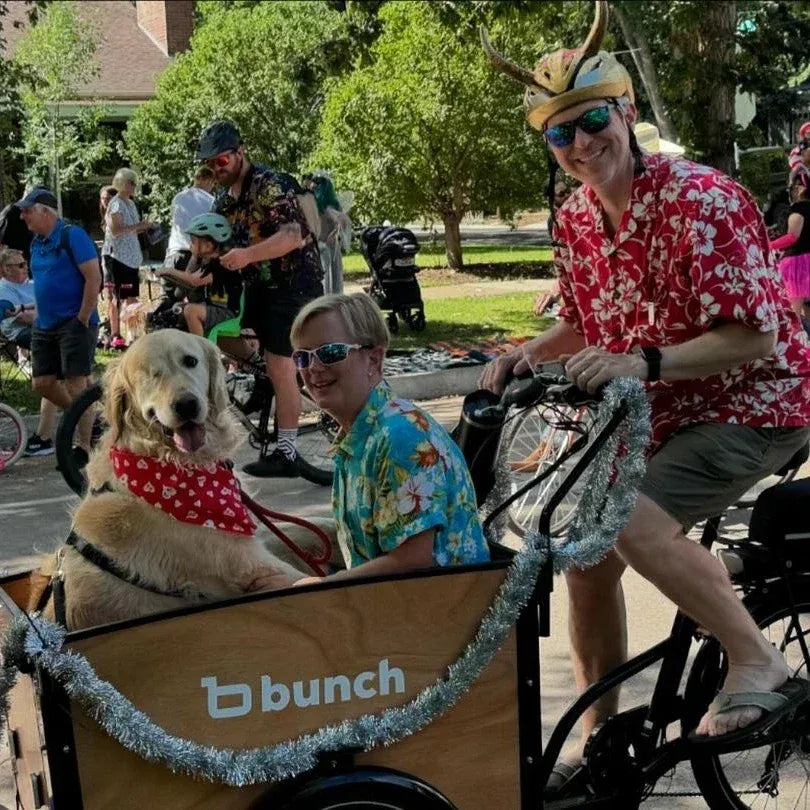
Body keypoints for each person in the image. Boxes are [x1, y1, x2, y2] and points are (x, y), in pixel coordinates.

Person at [480, 0, 810, 778]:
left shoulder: (702, 199)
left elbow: (756, 334)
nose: (580, 143)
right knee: (585, 556)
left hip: (759, 403)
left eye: (592, 120)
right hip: (664, 410)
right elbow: (589, 321)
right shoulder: (574, 220)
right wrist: (527, 355)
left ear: (624, 112)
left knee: (625, 517)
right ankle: (604, 744)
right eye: (560, 132)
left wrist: (645, 364)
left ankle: (758, 660)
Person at [268, 292, 489, 588]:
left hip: (439, 614)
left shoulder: (400, 436)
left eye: (330, 352)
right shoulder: (364, 430)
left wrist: (320, 589)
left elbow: (413, 560)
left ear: (374, 358)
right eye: (302, 357)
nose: (313, 368)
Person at [197, 120, 323, 478]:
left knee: (281, 364)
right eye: (209, 165)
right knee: (218, 330)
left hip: (293, 285)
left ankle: (287, 453)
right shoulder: (223, 200)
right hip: (255, 288)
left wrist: (247, 255)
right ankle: (261, 374)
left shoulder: (269, 186)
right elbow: (211, 240)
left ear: (239, 153)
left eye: (221, 161)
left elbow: (292, 234)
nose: (216, 170)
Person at [18, 186, 101, 466]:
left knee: (77, 384)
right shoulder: (36, 243)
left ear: (45, 211)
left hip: (74, 321)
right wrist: (38, 316)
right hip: (45, 324)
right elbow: (42, 284)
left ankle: (83, 449)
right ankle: (83, 415)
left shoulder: (72, 235)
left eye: (27, 210)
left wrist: (82, 318)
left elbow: (93, 278)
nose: (23, 216)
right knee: (42, 383)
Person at [156, 213, 247, 355]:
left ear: (209, 245)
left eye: (193, 241)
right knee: (177, 309)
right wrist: (194, 256)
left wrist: (167, 271)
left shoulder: (222, 263)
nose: (190, 245)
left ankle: (201, 354)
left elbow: (193, 281)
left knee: (191, 311)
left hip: (228, 311)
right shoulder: (206, 262)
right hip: (213, 307)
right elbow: (183, 285)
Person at [0, 247, 59, 456]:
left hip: (46, 328)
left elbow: (50, 305)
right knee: (56, 376)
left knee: (65, 374)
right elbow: (25, 319)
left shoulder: (33, 284)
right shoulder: (4, 289)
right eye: (20, 265)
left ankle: (82, 414)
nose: (26, 268)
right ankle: (47, 435)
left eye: (25, 263)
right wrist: (46, 312)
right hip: (22, 332)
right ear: (6, 270)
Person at [104, 168, 153, 349]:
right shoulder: (116, 203)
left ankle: (134, 335)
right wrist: (140, 225)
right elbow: (116, 230)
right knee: (119, 297)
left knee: (131, 296)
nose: (134, 186)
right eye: (131, 182)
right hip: (117, 257)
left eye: (135, 182)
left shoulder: (131, 203)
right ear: (123, 183)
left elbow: (133, 228)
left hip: (131, 259)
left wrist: (146, 226)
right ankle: (117, 335)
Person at [772, 170, 810, 320]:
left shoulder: (798, 210)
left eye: (793, 188)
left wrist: (769, 244)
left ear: (801, 189)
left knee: (794, 311)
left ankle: (798, 340)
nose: (791, 192)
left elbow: (792, 237)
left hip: (799, 263)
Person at [165, 166, 216, 271]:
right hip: (195, 256)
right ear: (209, 181)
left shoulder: (178, 197)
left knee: (169, 286)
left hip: (174, 253)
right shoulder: (211, 202)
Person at [312, 173, 351, 295]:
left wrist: (334, 234)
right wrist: (335, 234)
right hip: (327, 248)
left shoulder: (324, 208)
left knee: (327, 282)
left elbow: (343, 221)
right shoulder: (329, 206)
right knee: (331, 281)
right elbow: (344, 221)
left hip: (324, 249)